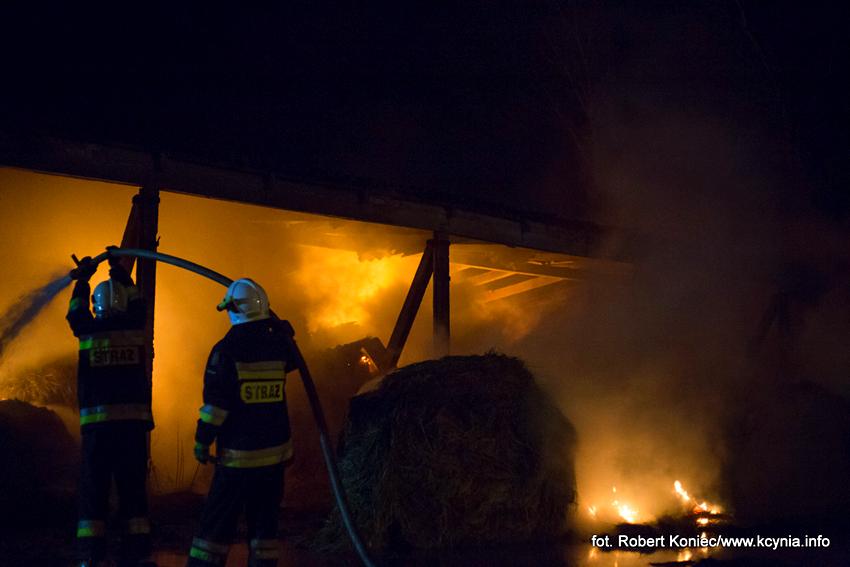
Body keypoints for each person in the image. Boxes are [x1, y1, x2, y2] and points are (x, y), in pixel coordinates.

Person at [187, 278, 296, 567]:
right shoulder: (277, 346)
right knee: (264, 527)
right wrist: (284, 332)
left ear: (233, 309)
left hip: (238, 459)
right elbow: (294, 360)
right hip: (274, 459)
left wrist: (202, 439)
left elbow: (215, 407)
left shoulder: (227, 350)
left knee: (216, 525)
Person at [67, 247, 155, 567]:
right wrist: (119, 271)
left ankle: (90, 554)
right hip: (131, 428)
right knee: (133, 488)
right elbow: (139, 302)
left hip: (98, 429)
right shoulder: (135, 328)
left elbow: (74, 313)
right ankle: (138, 550)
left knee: (94, 488)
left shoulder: (88, 330)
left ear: (97, 306)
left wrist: (83, 280)